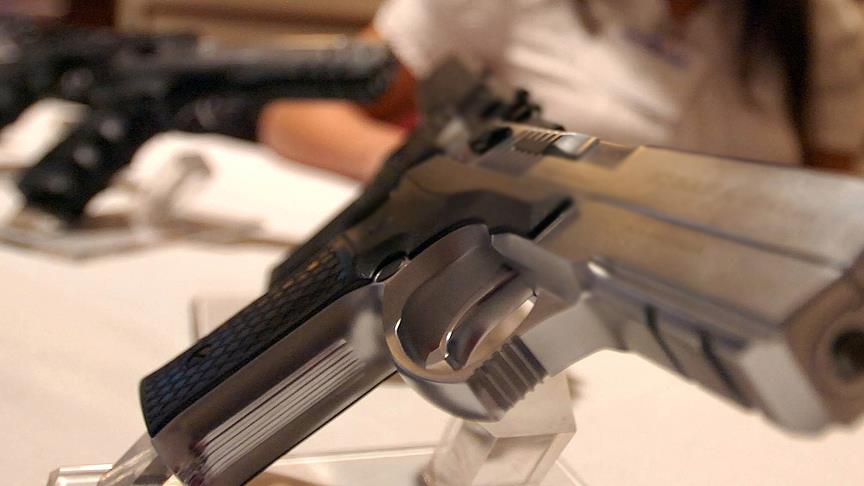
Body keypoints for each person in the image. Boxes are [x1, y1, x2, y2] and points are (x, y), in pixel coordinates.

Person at [258, 0, 864, 182]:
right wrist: (412, 168)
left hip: (721, 316)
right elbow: (298, 110)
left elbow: (824, 212)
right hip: (515, 290)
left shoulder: (829, 34)